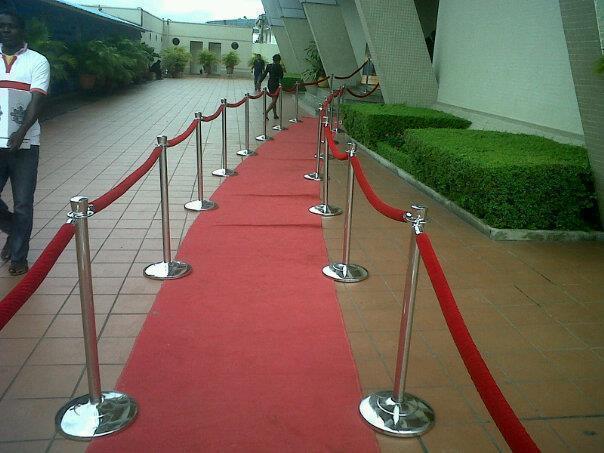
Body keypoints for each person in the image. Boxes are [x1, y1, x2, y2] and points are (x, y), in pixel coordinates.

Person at [0, 10, 50, 275]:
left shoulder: (37, 61)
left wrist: (20, 133)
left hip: (25, 145)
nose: (6, 30)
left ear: (22, 30)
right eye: (2, 27)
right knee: (17, 213)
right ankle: (12, 228)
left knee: (22, 202)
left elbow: (37, 100)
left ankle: (19, 257)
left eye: (11, 26)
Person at [259, 54, 283, 119]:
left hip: (270, 83)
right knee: (274, 100)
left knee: (273, 99)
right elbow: (281, 76)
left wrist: (260, 81)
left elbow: (264, 74)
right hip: (276, 84)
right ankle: (266, 112)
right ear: (279, 60)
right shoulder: (279, 66)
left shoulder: (269, 66)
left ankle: (275, 114)